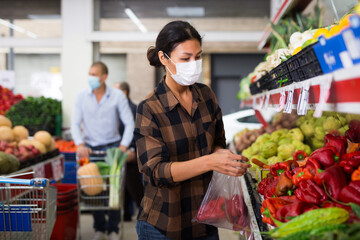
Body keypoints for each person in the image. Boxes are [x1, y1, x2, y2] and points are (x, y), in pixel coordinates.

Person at [134, 21, 251, 240]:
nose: (193, 64)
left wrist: (221, 156)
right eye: (185, 59)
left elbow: (218, 141)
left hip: (206, 220)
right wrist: (209, 162)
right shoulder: (150, 108)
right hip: (164, 225)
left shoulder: (206, 96)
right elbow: (156, 172)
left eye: (198, 57)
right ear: (163, 59)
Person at [71, 61, 135, 240]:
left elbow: (129, 122)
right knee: (92, 190)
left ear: (104, 77)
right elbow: (75, 123)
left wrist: (123, 146)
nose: (91, 77)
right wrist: (79, 144)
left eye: (94, 74)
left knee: (113, 189)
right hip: (89, 150)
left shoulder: (117, 96)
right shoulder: (81, 96)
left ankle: (113, 229)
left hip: (112, 149)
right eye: (89, 73)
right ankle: (99, 227)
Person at [113, 81, 144, 221]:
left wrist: (131, 149)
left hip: (130, 152)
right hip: (122, 150)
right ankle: (126, 214)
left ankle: (145, 213)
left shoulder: (131, 109)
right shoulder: (120, 108)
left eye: (116, 91)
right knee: (124, 184)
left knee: (134, 184)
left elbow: (134, 131)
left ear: (124, 92)